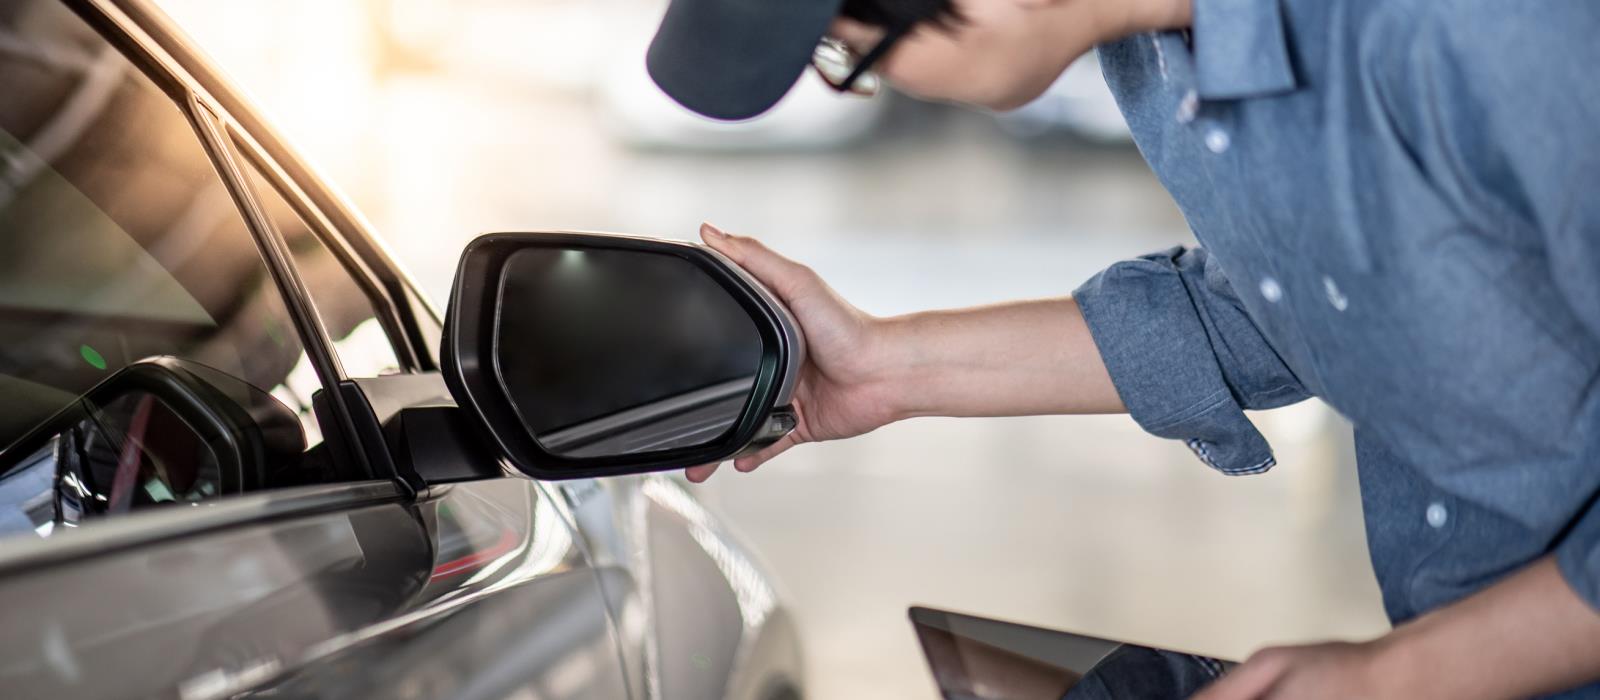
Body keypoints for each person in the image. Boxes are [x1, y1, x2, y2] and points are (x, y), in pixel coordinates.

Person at [645, 0, 1600, 696]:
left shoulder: (1490, 32)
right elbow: (1319, 301)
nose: (870, 80)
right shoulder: (1157, 52)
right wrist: (883, 365)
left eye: (841, 49)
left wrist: (1397, 679)